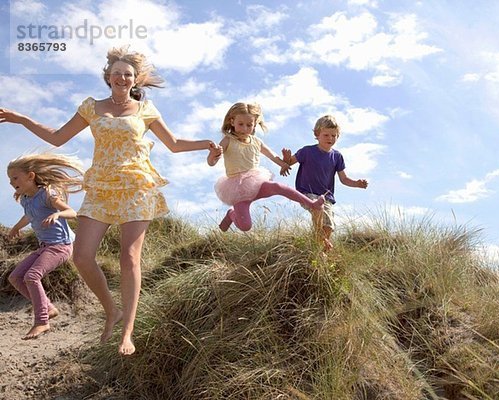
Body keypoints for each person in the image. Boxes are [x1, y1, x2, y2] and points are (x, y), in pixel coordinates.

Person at [0, 46, 222, 355]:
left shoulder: (146, 110)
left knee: (129, 257)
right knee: (81, 255)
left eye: (128, 74)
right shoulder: (92, 107)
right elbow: (57, 136)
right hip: (102, 186)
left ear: (135, 80)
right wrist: (22, 119)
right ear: (108, 77)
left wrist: (206, 145)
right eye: (116, 73)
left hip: (136, 185)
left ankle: (126, 332)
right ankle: (111, 310)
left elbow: (172, 144)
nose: (122, 77)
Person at [207, 102, 324, 232]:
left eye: (249, 125)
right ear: (232, 121)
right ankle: (231, 214)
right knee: (246, 226)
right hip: (237, 189)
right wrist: (213, 155)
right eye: (241, 124)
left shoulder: (257, 141)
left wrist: (283, 164)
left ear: (254, 125)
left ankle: (312, 204)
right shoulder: (228, 140)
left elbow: (272, 155)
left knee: (278, 187)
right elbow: (211, 162)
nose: (245, 129)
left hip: (256, 183)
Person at [7, 153, 84, 340]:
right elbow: (29, 215)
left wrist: (58, 215)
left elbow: (71, 212)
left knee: (32, 276)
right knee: (16, 277)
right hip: (45, 247)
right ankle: (48, 308)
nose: (11, 182)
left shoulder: (47, 194)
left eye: (15, 178)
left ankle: (42, 321)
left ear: (30, 176)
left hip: (61, 245)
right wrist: (17, 226)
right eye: (9, 179)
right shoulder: (25, 199)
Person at [282, 115, 368, 251]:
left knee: (328, 226)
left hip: (326, 197)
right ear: (317, 134)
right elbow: (289, 162)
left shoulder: (337, 156)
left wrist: (357, 183)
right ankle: (322, 242)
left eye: (334, 136)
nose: (330, 138)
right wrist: (286, 159)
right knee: (318, 209)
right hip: (306, 193)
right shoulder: (307, 151)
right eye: (326, 135)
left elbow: (344, 179)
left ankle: (319, 250)